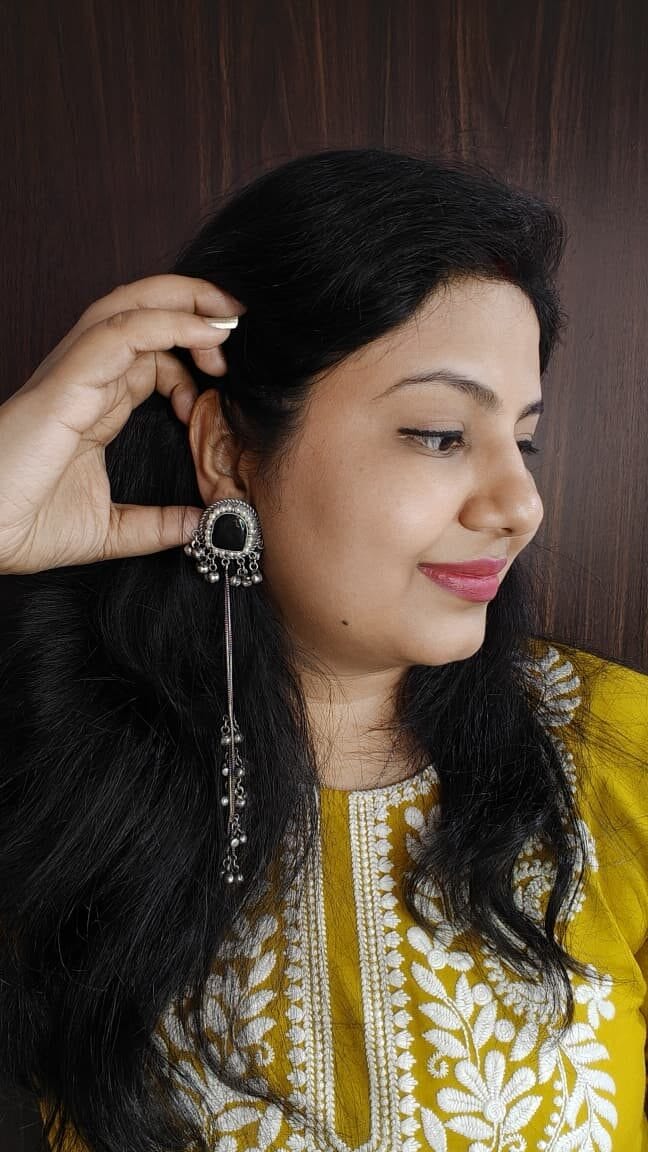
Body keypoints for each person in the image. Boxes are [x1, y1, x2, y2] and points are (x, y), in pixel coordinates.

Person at [0, 148, 646, 1152]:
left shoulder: (619, 751)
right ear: (229, 452)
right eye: (438, 434)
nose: (520, 505)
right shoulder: (46, 768)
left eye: (522, 439)